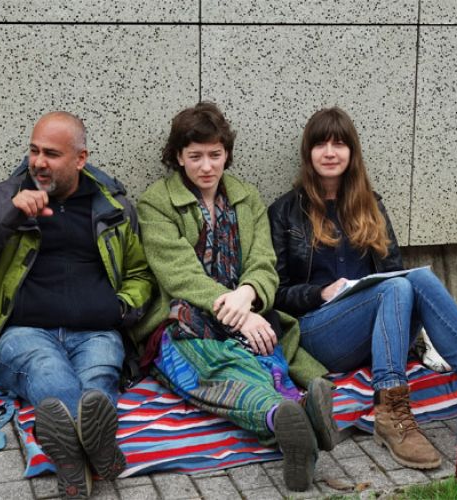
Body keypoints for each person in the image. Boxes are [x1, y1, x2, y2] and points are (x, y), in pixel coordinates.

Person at [268, 107, 457, 469]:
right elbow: (276, 292)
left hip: (378, 335)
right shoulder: (284, 212)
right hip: (319, 333)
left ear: (352, 152)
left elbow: (393, 274)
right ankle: (390, 414)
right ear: (308, 153)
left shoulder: (370, 205)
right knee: (396, 288)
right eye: (321, 144)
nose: (330, 152)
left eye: (339, 144)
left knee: (414, 281)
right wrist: (319, 293)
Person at [0, 111, 155, 498]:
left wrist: (122, 308)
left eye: (52, 154)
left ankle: (69, 457)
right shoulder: (3, 198)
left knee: (98, 382)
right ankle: (98, 453)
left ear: (80, 159)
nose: (38, 162)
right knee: (45, 369)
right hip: (24, 332)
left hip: (96, 332)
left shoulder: (113, 209)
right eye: (34, 150)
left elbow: (140, 275)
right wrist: (10, 213)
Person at [131, 102, 336, 492]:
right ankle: (284, 415)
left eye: (215, 154)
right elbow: (178, 275)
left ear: (226, 153)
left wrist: (248, 294)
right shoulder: (156, 202)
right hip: (188, 317)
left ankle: (295, 414)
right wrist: (238, 312)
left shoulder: (247, 197)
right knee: (218, 366)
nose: (206, 166)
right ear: (178, 157)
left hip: (247, 309)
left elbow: (263, 260)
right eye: (195, 156)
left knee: (263, 346)